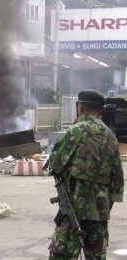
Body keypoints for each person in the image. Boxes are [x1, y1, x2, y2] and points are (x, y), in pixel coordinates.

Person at [48, 90, 124, 259]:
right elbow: (118, 179)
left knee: (61, 255)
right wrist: (105, 206)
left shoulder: (77, 130)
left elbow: (55, 165)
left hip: (74, 210)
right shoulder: (111, 136)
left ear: (80, 107)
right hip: (100, 212)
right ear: (100, 110)